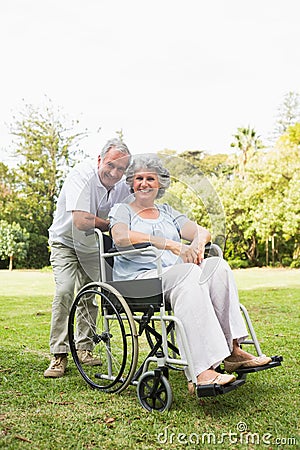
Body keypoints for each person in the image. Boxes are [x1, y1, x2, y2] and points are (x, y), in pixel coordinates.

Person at [109, 154, 271, 389]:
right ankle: (201, 372)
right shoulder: (122, 210)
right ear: (131, 183)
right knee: (190, 274)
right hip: (140, 279)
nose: (144, 183)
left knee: (217, 267)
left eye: (150, 179)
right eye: (138, 178)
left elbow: (202, 231)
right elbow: (120, 237)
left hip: (171, 274)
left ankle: (232, 351)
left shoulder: (167, 211)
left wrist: (196, 244)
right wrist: (171, 244)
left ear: (160, 183)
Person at [44, 138, 131, 378]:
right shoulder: (81, 176)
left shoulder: (122, 185)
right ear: (100, 160)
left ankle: (84, 348)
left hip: (91, 245)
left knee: (92, 293)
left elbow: (132, 213)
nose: (114, 173)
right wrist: (113, 225)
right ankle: (58, 355)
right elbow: (81, 221)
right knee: (65, 290)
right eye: (111, 165)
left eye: (121, 168)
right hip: (66, 243)